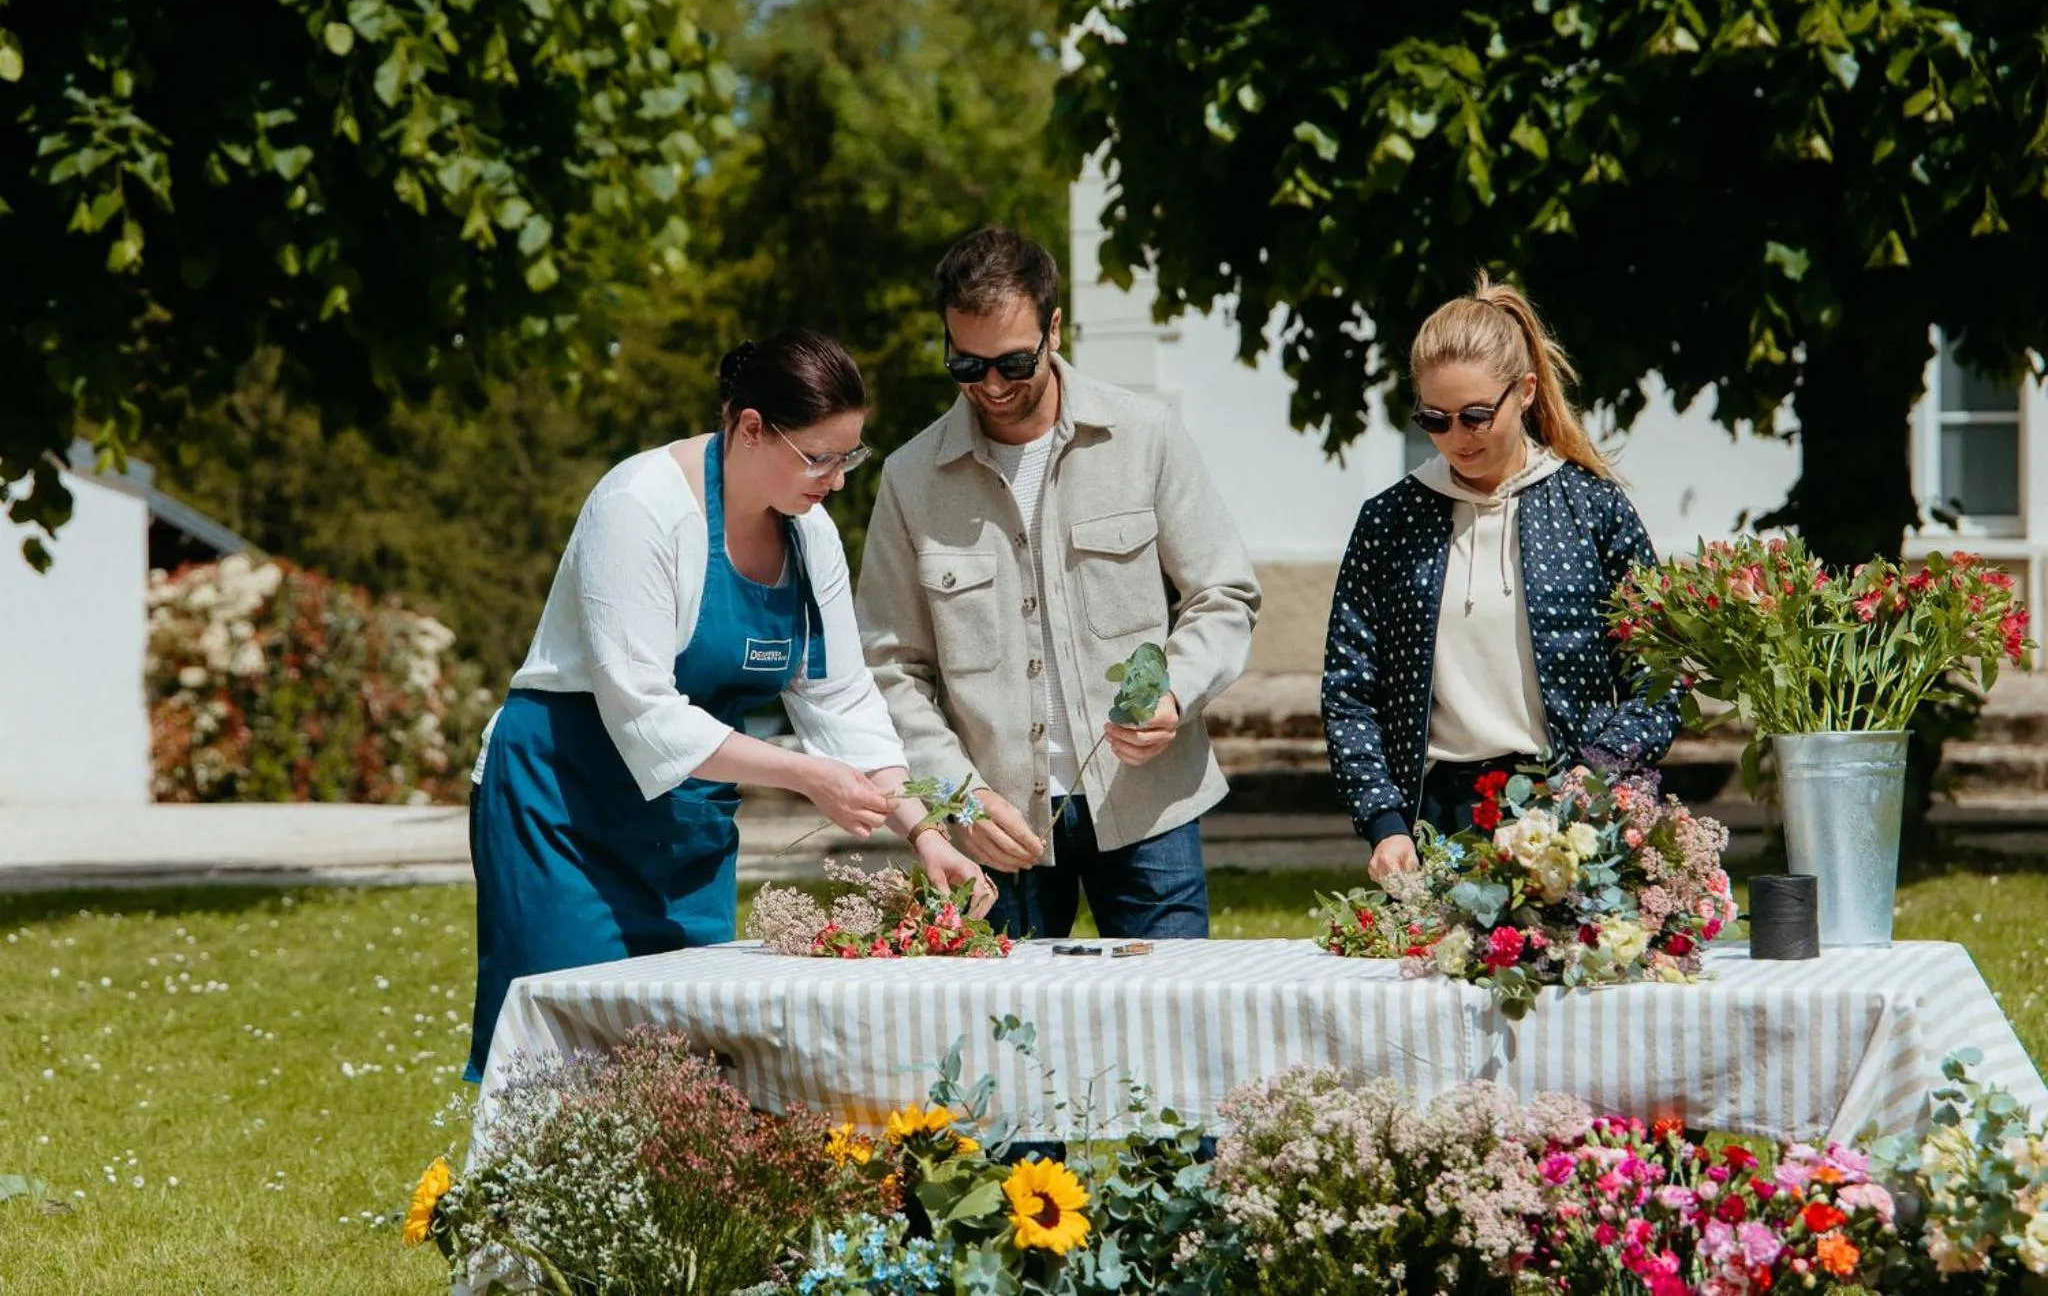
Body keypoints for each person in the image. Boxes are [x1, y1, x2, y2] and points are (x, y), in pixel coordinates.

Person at [466, 330, 991, 1076]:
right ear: (750, 427)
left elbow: (844, 705)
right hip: (564, 805)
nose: (838, 480)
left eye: (851, 455)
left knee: (695, 1061)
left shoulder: (810, 536)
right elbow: (643, 711)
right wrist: (806, 776)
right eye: (820, 456)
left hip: (685, 821)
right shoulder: (639, 506)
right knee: (566, 1061)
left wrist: (925, 833)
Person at [857, 226, 1260, 940]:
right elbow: (891, 666)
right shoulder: (909, 479)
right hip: (996, 827)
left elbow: (1223, 593)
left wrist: (1175, 690)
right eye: (966, 363)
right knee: (1002, 1044)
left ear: (1054, 327)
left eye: (1014, 361)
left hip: (1148, 810)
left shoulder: (1146, 435)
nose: (991, 385)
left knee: (1165, 1033)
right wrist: (959, 794)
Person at [1322, 274, 1680, 883]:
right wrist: (1384, 821)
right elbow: (1350, 688)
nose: (1456, 438)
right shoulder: (1390, 520)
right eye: (1433, 419)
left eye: (1476, 416)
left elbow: (1660, 674)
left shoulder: (1590, 509)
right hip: (1436, 814)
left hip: (1571, 806)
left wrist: (1597, 776)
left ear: (1526, 393)